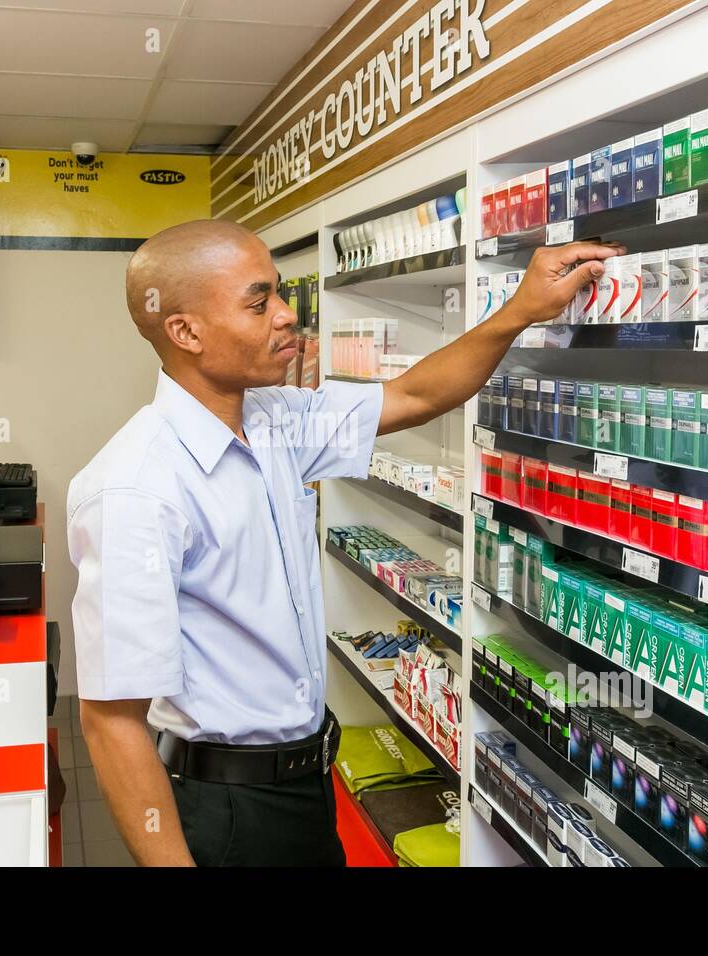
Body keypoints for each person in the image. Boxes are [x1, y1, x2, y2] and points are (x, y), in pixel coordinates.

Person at [67, 219, 620, 867]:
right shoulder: (135, 488)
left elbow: (413, 395)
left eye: (279, 294)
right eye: (257, 302)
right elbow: (110, 720)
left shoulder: (276, 420)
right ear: (185, 331)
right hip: (225, 808)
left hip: (305, 785)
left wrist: (521, 310)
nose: (285, 317)